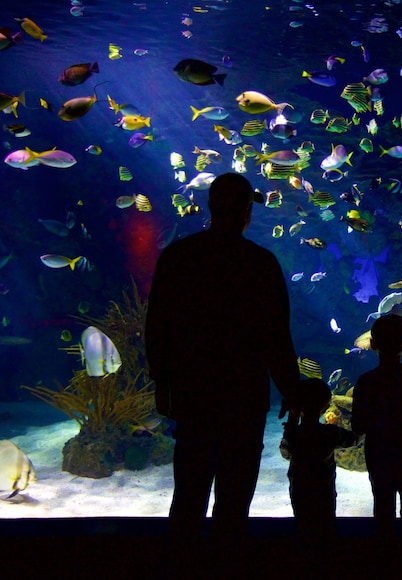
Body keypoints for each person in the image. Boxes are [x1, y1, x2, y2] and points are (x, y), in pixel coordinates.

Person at [145, 172, 300, 543]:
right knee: (234, 500)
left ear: (209, 206)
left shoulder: (178, 257)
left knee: (189, 494)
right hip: (243, 396)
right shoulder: (260, 263)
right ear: (248, 212)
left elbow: (157, 327)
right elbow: (276, 336)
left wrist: (162, 381)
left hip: (192, 393)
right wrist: (291, 390)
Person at [351, 314, 402, 538]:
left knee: (383, 513)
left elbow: (358, 426)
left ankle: (385, 561)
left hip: (379, 458)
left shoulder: (366, 382)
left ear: (373, 344)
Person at [279, 378, 359, 539]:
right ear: (325, 407)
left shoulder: (294, 434)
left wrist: (292, 421)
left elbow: (286, 454)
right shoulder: (330, 433)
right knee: (327, 525)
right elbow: (354, 439)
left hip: (299, 489)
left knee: (301, 524)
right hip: (324, 489)